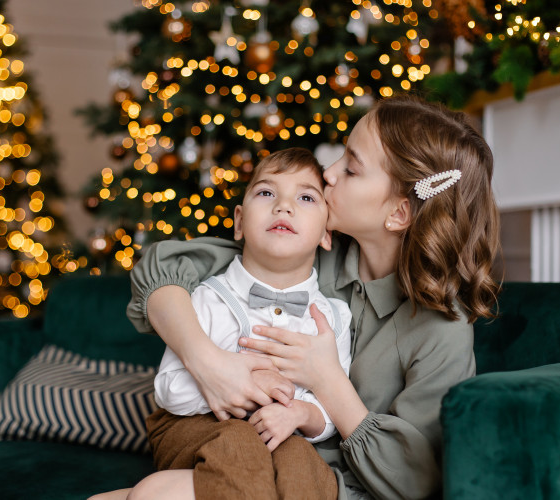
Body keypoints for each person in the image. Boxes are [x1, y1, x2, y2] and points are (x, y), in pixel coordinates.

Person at [124, 94, 500, 499]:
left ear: (398, 213)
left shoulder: (443, 330)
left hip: (336, 486)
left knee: (158, 493)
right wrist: (208, 361)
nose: (329, 173)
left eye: (351, 169)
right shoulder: (314, 253)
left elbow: (417, 480)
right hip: (257, 454)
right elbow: (162, 269)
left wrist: (326, 380)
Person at [91, 148, 351, 500]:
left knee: (302, 459)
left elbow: (333, 409)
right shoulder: (204, 297)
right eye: (266, 192)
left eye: (306, 197)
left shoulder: (334, 316)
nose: (284, 205)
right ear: (240, 222)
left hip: (283, 435)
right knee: (238, 440)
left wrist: (302, 414)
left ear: (326, 234)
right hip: (191, 428)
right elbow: (169, 390)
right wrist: (246, 388)